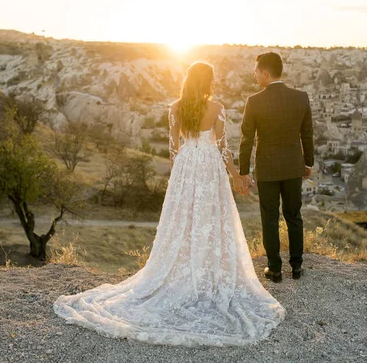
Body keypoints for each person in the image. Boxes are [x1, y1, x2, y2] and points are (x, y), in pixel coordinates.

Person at [53, 61, 285, 347]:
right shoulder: (217, 108)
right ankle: (207, 270)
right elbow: (223, 147)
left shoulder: (175, 108)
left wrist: (176, 182)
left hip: (187, 167)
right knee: (210, 219)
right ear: (209, 82)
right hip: (209, 166)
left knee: (183, 219)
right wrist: (236, 175)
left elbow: (174, 150)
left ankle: (182, 270)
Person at [238, 52, 314, 283]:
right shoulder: (301, 98)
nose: (254, 77)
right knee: (294, 215)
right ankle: (297, 265)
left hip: (267, 168)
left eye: (255, 73)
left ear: (265, 73)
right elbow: (307, 134)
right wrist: (308, 162)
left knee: (269, 218)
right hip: (293, 166)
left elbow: (246, 139)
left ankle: (274, 268)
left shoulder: (254, 101)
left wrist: (243, 171)